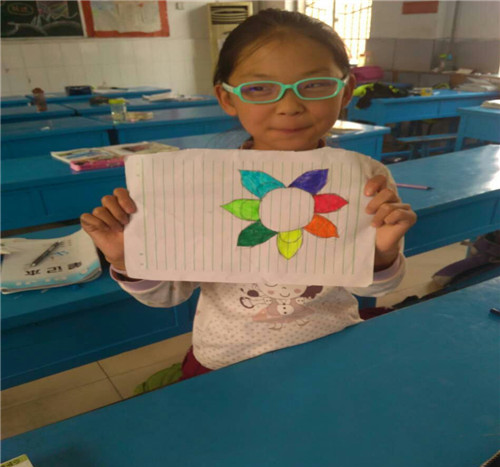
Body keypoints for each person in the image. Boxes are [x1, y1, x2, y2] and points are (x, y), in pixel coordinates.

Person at [81, 9, 417, 383]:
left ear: (346, 90)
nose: (289, 106)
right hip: (225, 364)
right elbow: (167, 297)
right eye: (259, 88)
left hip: (331, 353)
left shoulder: (367, 177)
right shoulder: (195, 185)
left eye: (315, 84)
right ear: (227, 98)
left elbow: (375, 287)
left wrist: (380, 254)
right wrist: (127, 258)